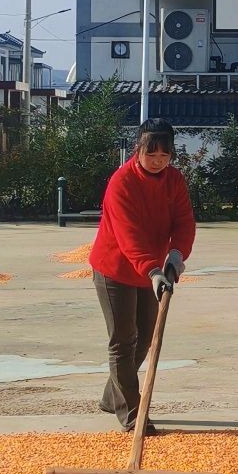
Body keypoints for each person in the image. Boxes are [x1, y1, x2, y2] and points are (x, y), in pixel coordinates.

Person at [89, 119, 196, 432]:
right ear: (138, 149)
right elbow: (128, 236)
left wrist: (176, 254)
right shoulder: (121, 183)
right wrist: (152, 269)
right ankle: (133, 415)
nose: (158, 161)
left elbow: (184, 221)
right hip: (115, 268)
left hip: (152, 270)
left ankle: (112, 397)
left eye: (165, 155)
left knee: (145, 338)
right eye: (151, 154)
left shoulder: (174, 180)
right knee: (123, 340)